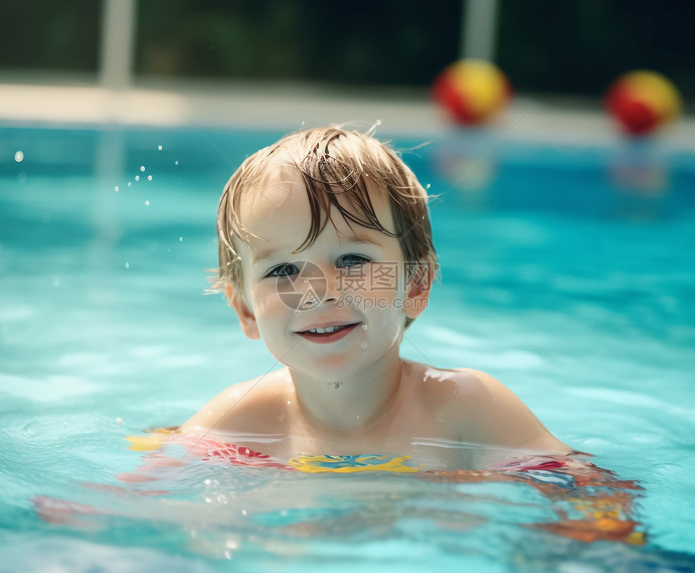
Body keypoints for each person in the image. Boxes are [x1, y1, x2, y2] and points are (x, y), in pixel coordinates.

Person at [176, 125, 570, 472]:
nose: (319, 291)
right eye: (283, 270)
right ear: (245, 309)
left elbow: (585, 496)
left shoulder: (465, 409)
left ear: (415, 284)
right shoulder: (239, 423)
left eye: (351, 260)